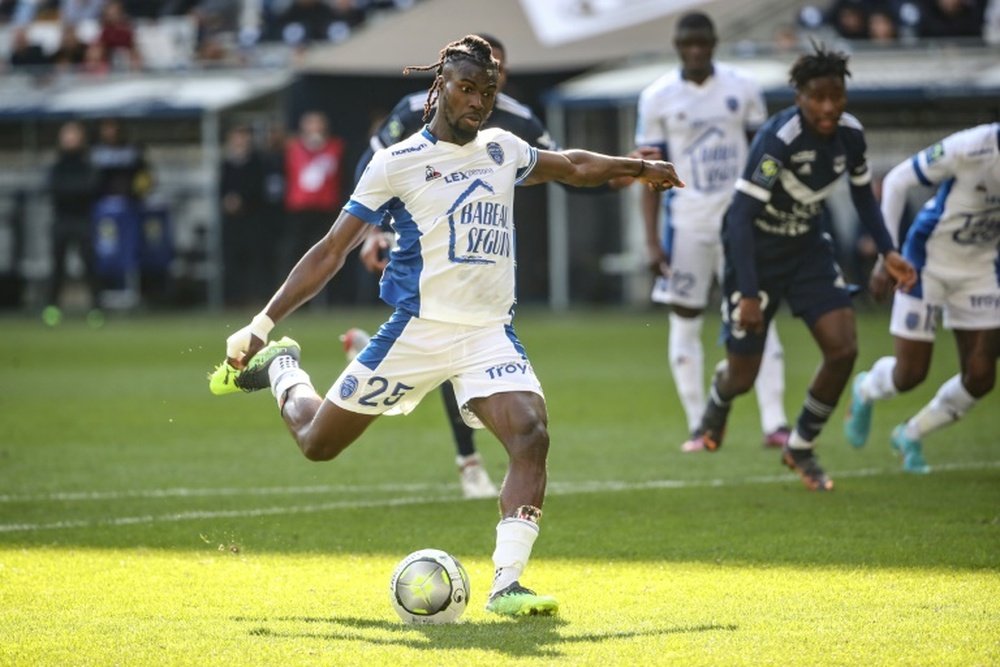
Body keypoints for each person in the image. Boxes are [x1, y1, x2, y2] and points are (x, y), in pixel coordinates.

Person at [210, 34, 683, 617]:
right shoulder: (396, 163)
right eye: (466, 88)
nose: (478, 102)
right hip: (417, 332)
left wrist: (639, 167)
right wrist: (263, 322)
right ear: (440, 88)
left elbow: (575, 167)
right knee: (317, 444)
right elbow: (331, 251)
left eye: (487, 91)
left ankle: (506, 585)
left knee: (531, 433)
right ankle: (283, 369)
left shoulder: (503, 148)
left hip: (486, 334)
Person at [349, 33, 647, 499]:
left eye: (498, 76)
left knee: (465, 355)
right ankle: (467, 459)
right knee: (443, 341)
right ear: (448, 80)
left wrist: (623, 174)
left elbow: (567, 169)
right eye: (478, 79)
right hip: (418, 246)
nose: (489, 88)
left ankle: (385, 372)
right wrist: (375, 231)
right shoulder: (413, 111)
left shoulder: (514, 122)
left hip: (485, 252)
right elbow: (372, 168)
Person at [682, 44, 916, 491]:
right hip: (757, 253)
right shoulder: (780, 140)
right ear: (800, 98)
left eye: (836, 96)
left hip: (808, 249)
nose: (828, 107)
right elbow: (739, 218)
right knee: (743, 376)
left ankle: (801, 445)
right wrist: (748, 292)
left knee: (844, 349)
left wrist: (888, 250)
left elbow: (864, 196)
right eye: (818, 97)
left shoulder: (850, 135)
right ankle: (720, 394)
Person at [635, 11, 792, 453]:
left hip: (741, 221)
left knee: (757, 313)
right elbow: (648, 172)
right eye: (689, 43)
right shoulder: (657, 97)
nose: (697, 50)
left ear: (714, 43)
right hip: (686, 223)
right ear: (678, 46)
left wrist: (770, 216)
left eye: (704, 42)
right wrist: (650, 240)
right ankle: (698, 425)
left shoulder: (743, 88)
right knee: (685, 319)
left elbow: (767, 160)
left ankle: (775, 421)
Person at [844, 123, 999, 472]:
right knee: (910, 373)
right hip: (925, 263)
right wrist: (888, 254)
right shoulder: (969, 147)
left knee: (981, 375)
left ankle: (911, 434)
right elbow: (898, 180)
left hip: (981, 270)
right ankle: (867, 388)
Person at [282, 110, 347, 305]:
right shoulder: (293, 148)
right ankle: (296, 299)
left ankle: (332, 300)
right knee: (298, 254)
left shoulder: (336, 147)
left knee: (331, 255)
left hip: (327, 208)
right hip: (300, 209)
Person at [43, 120, 99, 325]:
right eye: (67, 135)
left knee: (89, 265)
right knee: (57, 266)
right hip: (62, 220)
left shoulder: (87, 165)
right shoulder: (58, 166)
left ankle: (95, 309)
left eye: (74, 135)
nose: (70, 139)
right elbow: (53, 189)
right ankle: (52, 308)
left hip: (83, 220)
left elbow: (92, 188)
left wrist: (72, 192)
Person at [219, 124, 268, 306]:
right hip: (232, 221)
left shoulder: (257, 162)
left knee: (254, 258)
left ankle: (255, 297)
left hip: (252, 219)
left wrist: (243, 200)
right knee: (232, 259)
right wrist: (228, 201)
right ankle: (233, 299)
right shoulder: (226, 163)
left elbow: (259, 189)